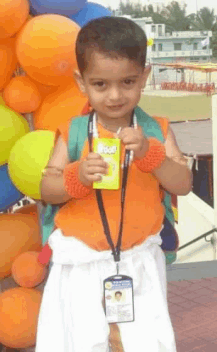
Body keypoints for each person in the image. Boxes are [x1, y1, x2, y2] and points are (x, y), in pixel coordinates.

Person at [36, 17, 192, 352]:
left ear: (144, 77)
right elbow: (46, 189)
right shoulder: (74, 133)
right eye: (101, 84)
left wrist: (154, 157)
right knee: (78, 342)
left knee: (145, 344)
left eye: (128, 81)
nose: (115, 95)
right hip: (80, 264)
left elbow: (183, 184)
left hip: (138, 262)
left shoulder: (157, 130)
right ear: (81, 83)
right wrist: (75, 177)